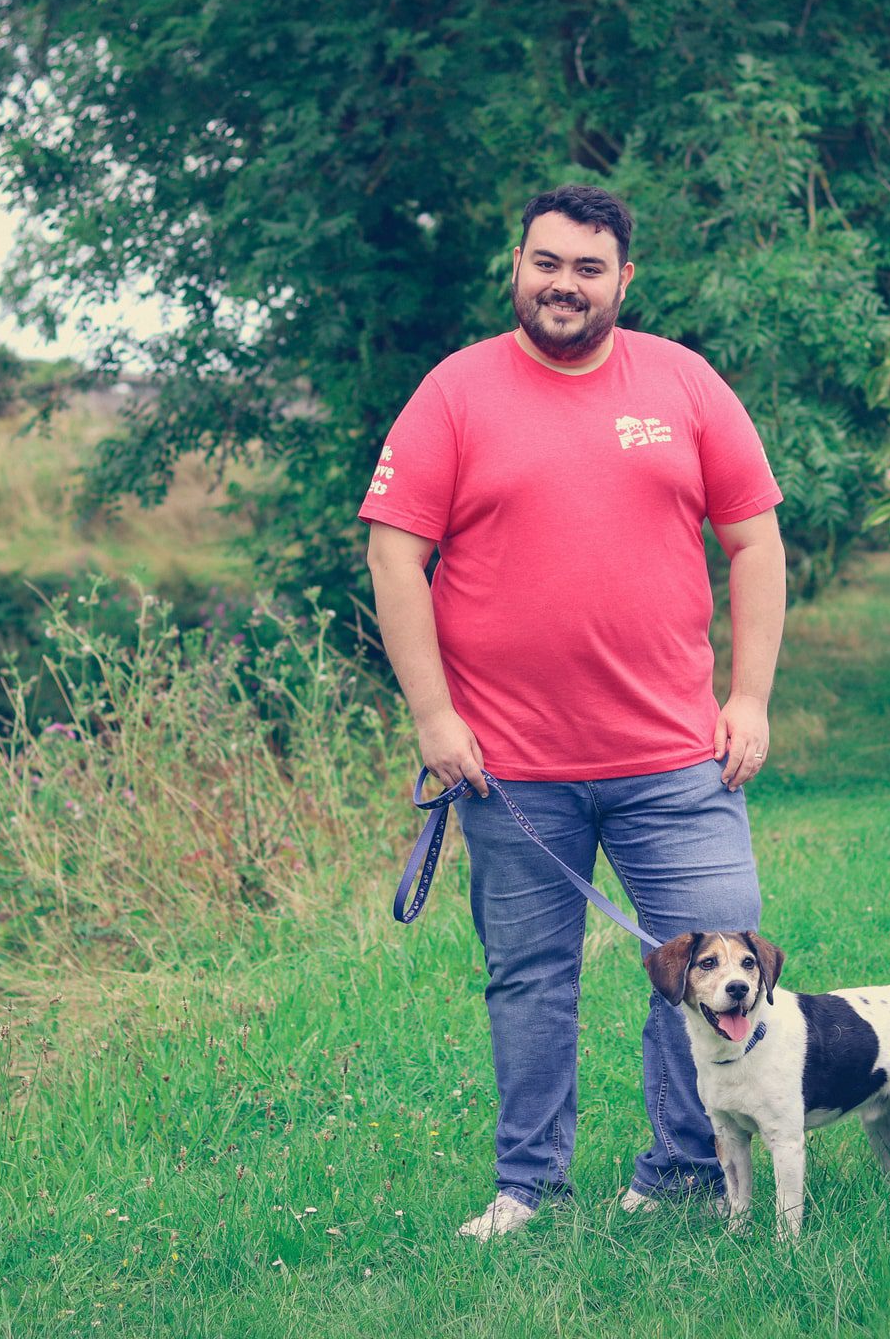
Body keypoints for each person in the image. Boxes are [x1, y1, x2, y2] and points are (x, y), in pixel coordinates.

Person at [358, 183, 787, 1240]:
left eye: (588, 267)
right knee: (530, 981)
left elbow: (757, 540)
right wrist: (433, 717)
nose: (564, 283)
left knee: (709, 967)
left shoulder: (684, 384)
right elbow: (395, 553)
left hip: (676, 760)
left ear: (623, 281)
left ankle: (686, 1166)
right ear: (519, 265)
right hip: (510, 766)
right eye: (546, 261)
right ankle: (529, 1188)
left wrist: (750, 695)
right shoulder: (456, 393)